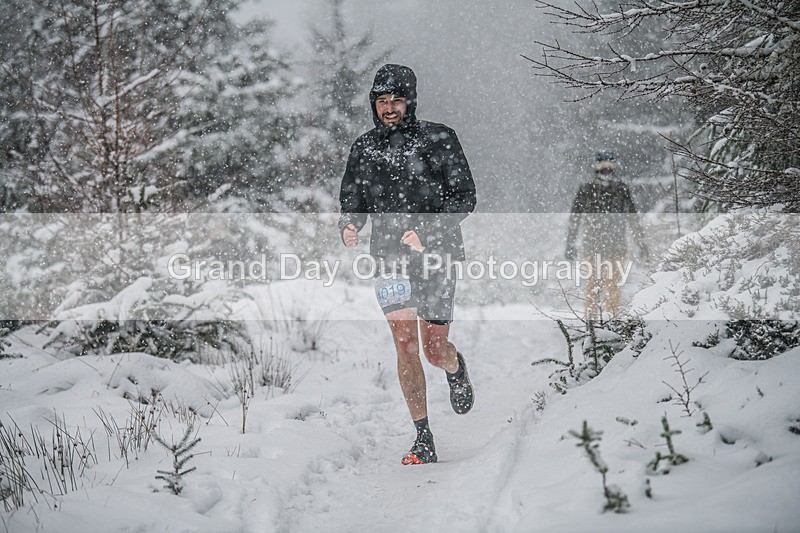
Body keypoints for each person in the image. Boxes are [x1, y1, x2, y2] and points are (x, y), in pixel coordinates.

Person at [338, 64, 477, 465]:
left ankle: (454, 365)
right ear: (374, 104)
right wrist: (350, 223)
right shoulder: (364, 147)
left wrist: (428, 233)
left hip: (436, 254)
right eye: (382, 101)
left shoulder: (439, 138)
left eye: (396, 100)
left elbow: (464, 196)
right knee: (403, 343)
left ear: (410, 101)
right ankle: (423, 436)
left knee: (432, 348)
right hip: (388, 258)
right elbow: (354, 197)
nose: (389, 108)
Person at [565, 151, 648, 318]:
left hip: (617, 247)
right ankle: (591, 326)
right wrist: (570, 244)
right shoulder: (586, 188)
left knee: (613, 289)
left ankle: (612, 325)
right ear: (596, 166)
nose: (606, 167)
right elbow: (575, 219)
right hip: (591, 247)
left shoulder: (621, 189)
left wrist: (641, 243)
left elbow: (633, 219)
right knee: (592, 289)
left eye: (610, 164)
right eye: (602, 164)